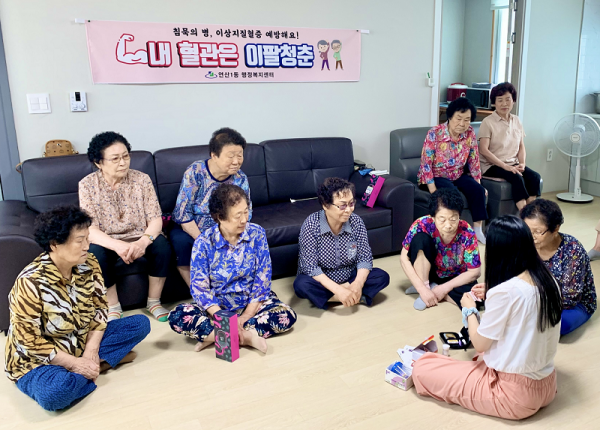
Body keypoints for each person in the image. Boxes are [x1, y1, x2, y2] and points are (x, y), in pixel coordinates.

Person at [412, 215, 562, 420]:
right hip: (547, 384)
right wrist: (493, 291)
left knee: (423, 367)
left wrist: (469, 310)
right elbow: (520, 307)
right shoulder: (548, 279)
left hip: (512, 395)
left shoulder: (506, 292)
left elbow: (480, 343)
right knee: (478, 356)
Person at [4, 206, 150, 411]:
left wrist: (90, 350)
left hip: (80, 342)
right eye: (80, 241)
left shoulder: (89, 263)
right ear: (54, 244)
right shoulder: (30, 282)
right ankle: (97, 366)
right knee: (54, 395)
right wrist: (74, 363)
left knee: (140, 324)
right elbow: (28, 342)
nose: (87, 246)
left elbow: (100, 311)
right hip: (40, 360)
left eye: (87, 239)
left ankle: (89, 366)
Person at [168, 184, 296, 353]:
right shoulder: (203, 243)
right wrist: (223, 318)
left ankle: (214, 336)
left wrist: (246, 316)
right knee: (177, 316)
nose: (244, 219)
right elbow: (200, 289)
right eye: (237, 215)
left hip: (251, 303)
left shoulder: (257, 234)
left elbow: (262, 279)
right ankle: (245, 336)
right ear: (220, 217)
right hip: (217, 309)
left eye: (246, 212)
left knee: (286, 315)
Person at [79, 131, 171, 322]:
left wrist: (143, 243)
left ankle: (154, 302)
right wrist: (118, 246)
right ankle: (113, 306)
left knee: (162, 246)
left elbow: (155, 220)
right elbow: (91, 229)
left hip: (140, 236)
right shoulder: (87, 185)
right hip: (107, 240)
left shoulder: (142, 179)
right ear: (99, 162)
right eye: (115, 159)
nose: (123, 163)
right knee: (94, 253)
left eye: (126, 156)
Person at [171, 127, 251, 287]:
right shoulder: (195, 172)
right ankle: (198, 292)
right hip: (191, 227)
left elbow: (246, 212)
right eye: (230, 156)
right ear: (214, 155)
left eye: (240, 155)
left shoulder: (240, 178)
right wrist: (204, 240)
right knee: (182, 243)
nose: (236, 161)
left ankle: (234, 288)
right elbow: (183, 214)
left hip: (225, 227)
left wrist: (226, 235)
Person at [294, 177, 390, 309]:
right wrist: (339, 290)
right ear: (325, 205)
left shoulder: (356, 222)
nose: (349, 210)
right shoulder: (311, 225)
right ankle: (349, 297)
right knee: (301, 285)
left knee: (381, 276)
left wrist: (357, 284)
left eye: (351, 203)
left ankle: (335, 298)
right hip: (323, 279)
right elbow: (310, 267)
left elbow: (365, 258)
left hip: (349, 276)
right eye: (342, 205)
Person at [521, 199, 596, 335]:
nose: (532, 237)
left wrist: (530, 302)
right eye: (527, 230)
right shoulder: (525, 242)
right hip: (534, 298)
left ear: (555, 228)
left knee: (555, 325)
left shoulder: (572, 250)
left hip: (572, 305)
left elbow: (570, 299)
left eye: (538, 231)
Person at [418, 97, 488, 243]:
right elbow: (426, 164)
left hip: (457, 174)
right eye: (459, 118)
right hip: (436, 176)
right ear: (450, 117)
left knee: (478, 191)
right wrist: (433, 191)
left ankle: (477, 230)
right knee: (452, 194)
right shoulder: (434, 133)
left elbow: (474, 160)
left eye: (467, 120)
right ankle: (455, 231)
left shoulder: (470, 133)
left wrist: (478, 183)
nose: (462, 124)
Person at [401, 188, 481, 311]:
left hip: (454, 276)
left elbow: (474, 272)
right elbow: (404, 259)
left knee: (478, 299)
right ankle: (426, 287)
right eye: (442, 220)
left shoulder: (467, 232)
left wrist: (443, 288)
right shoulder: (422, 224)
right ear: (433, 217)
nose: (448, 225)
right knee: (420, 240)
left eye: (453, 219)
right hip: (428, 272)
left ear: (459, 215)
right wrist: (422, 289)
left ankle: (434, 290)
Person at [479, 82, 541, 210]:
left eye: (508, 99)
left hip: (512, 163)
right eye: (500, 100)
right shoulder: (487, 122)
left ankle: (529, 212)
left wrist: (522, 163)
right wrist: (505, 166)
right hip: (492, 165)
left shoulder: (517, 120)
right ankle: (524, 216)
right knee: (516, 178)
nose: (504, 104)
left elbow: (521, 146)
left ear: (513, 101)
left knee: (535, 177)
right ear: (494, 103)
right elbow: (483, 150)